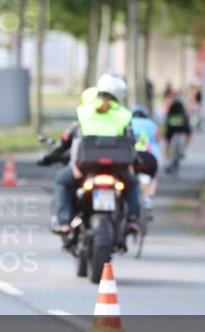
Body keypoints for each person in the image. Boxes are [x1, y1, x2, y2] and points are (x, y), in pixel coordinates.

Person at [53, 74, 141, 236]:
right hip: (117, 168)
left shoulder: (84, 112)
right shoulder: (124, 115)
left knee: (62, 182)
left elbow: (76, 140)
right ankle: (133, 219)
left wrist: (75, 166)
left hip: (87, 167)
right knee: (134, 184)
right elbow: (131, 141)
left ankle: (64, 221)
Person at [128, 105, 161, 210]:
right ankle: (149, 198)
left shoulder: (128, 122)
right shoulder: (151, 125)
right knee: (153, 177)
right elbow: (157, 142)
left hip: (131, 158)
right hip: (149, 158)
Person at [164, 92, 192, 163]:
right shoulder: (181, 105)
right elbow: (186, 115)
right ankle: (184, 148)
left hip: (172, 123)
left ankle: (167, 158)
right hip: (181, 123)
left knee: (168, 140)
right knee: (189, 133)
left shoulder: (171, 104)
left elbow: (167, 115)